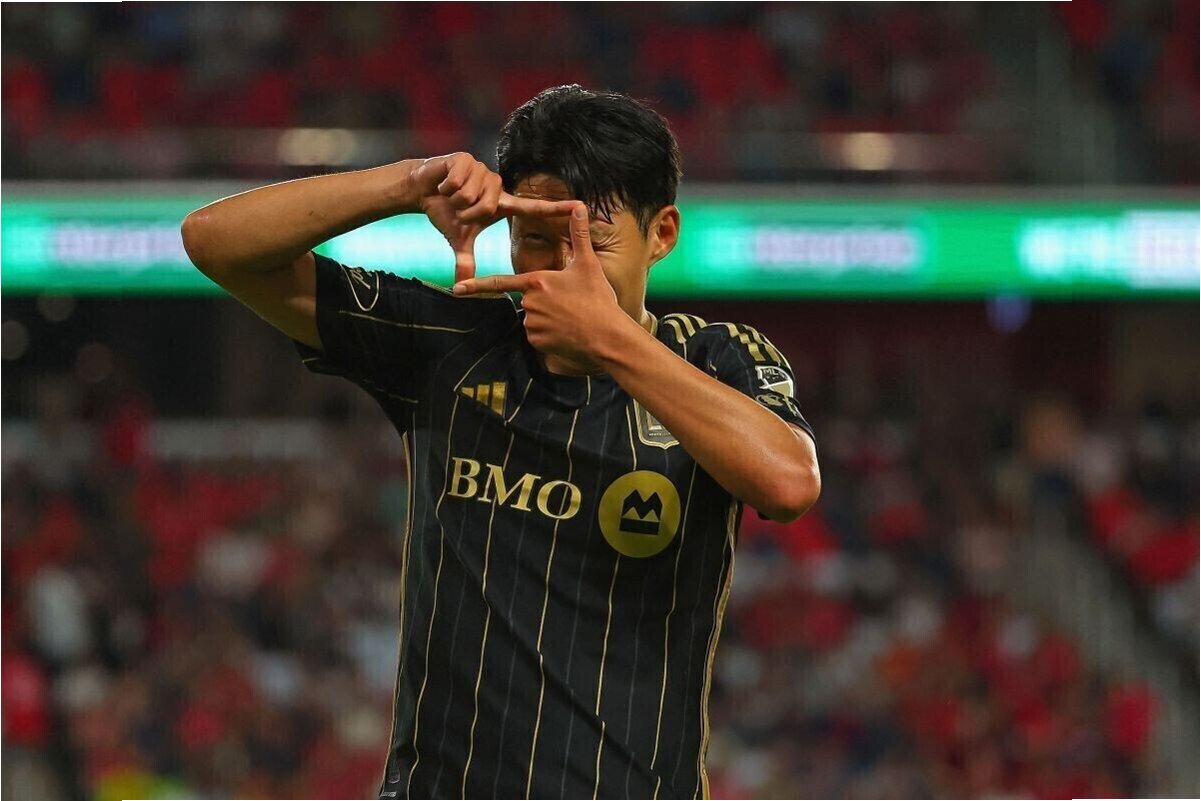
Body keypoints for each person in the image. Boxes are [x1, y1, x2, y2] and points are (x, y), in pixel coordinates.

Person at [181, 85, 820, 800]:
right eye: (535, 235)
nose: (560, 268)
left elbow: (788, 482)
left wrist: (610, 340)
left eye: (591, 239)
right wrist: (408, 184)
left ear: (661, 233)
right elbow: (214, 242)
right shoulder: (451, 343)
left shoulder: (716, 358)